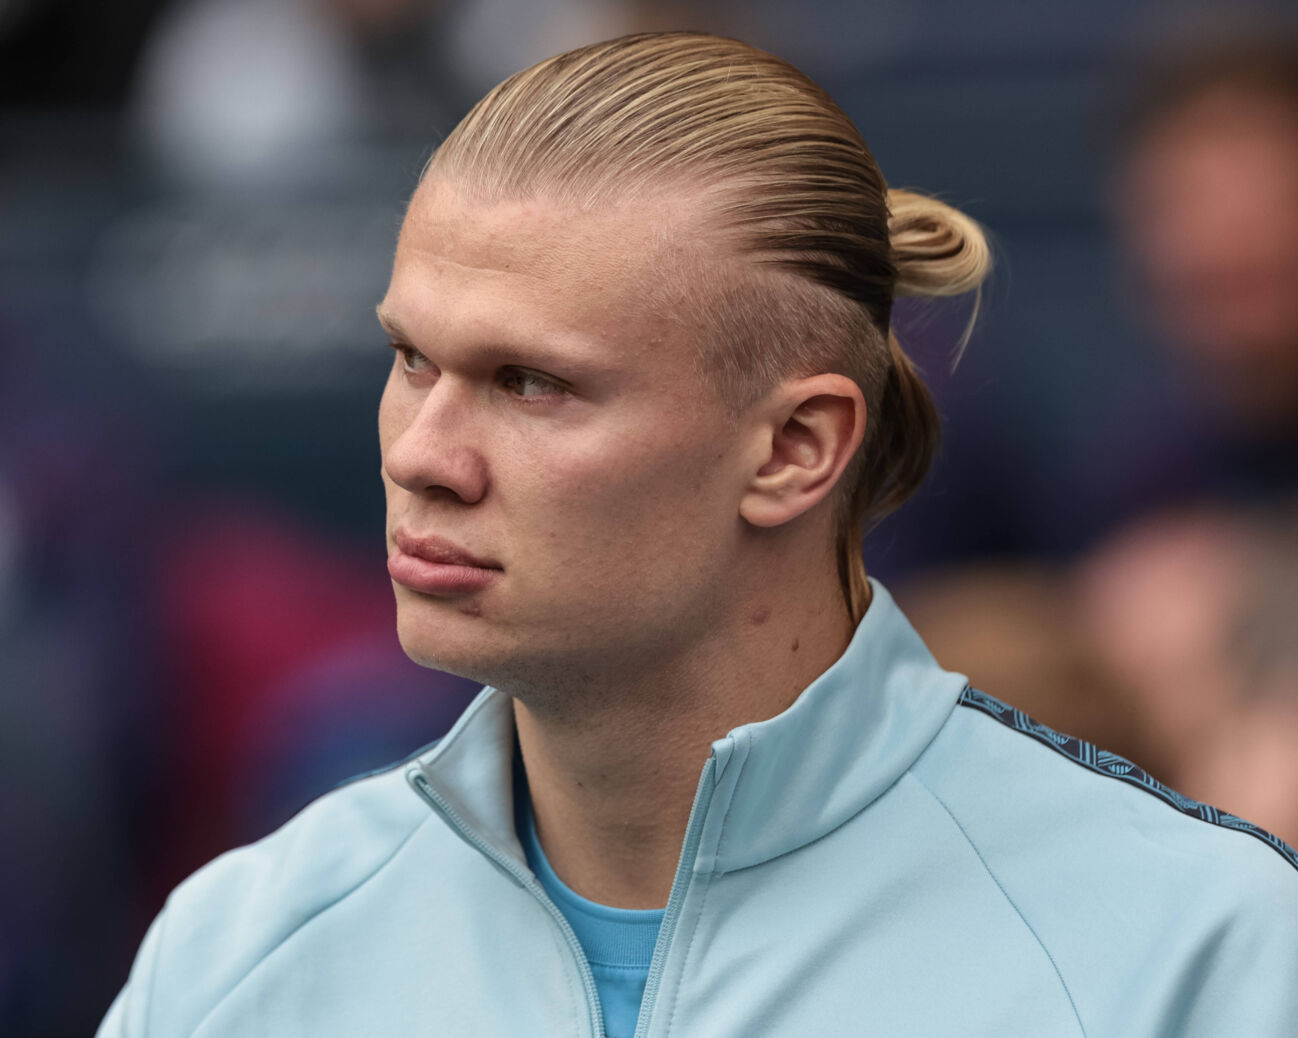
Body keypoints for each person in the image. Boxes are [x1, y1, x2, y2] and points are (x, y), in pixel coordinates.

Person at [99, 32, 1298, 1037]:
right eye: (411, 357)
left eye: (528, 383)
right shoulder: (238, 955)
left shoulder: (1195, 950)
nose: (421, 455)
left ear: (792, 451)